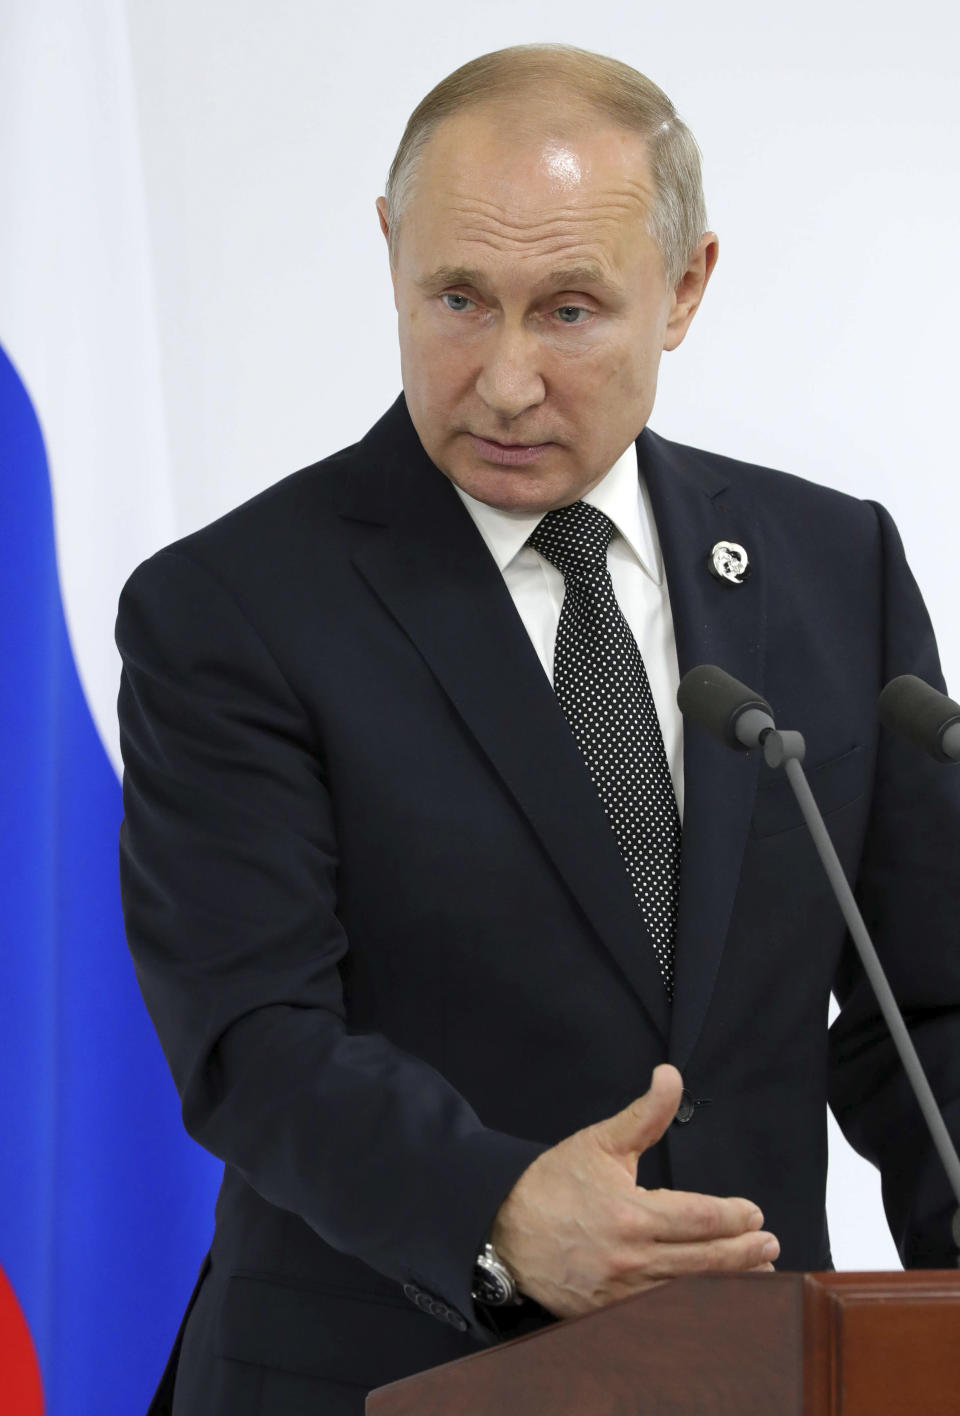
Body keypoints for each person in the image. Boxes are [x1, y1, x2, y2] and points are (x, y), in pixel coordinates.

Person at [116, 43, 960, 1416]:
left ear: (685, 289)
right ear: (391, 249)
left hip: (761, 1378)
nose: (504, 381)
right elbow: (252, 1037)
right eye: (459, 299)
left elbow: (927, 1009)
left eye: (569, 312)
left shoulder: (829, 569)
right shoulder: (232, 607)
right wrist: (497, 1211)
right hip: (377, 1378)